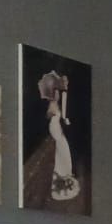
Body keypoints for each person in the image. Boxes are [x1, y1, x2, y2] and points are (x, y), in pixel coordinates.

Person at [38, 70, 80, 201]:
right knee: (62, 148)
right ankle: (62, 180)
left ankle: (62, 181)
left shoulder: (58, 101)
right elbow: (53, 117)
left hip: (60, 134)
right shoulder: (53, 107)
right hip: (57, 132)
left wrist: (63, 119)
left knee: (63, 151)